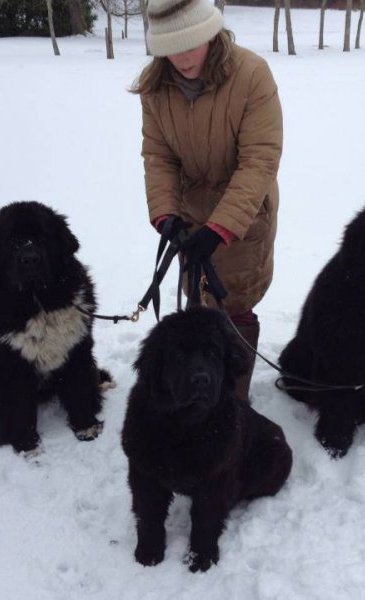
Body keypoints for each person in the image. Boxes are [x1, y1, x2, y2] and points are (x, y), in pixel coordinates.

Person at [131, 0, 283, 403]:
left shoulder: (252, 75)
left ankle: (233, 401)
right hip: (190, 213)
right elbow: (159, 156)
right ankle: (196, 395)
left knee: (234, 301)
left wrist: (220, 228)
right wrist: (165, 214)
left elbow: (260, 159)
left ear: (210, 34)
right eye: (170, 47)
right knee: (198, 301)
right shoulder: (155, 86)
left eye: (190, 44)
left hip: (244, 213)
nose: (181, 57)